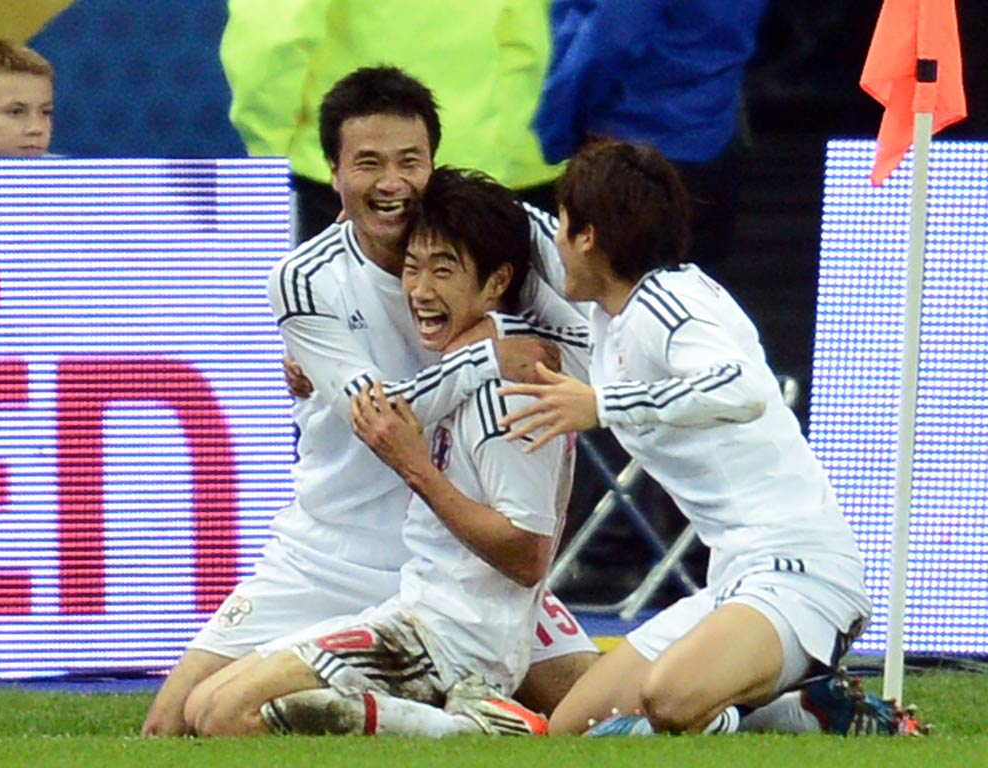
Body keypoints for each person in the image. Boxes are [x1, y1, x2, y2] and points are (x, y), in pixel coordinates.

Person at [141, 66, 598, 738]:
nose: (391, 184)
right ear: (333, 173)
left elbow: (589, 340)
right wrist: (489, 352)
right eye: (369, 164)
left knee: (610, 710)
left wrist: (532, 348)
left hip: (461, 561)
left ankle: (770, 710)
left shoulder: (506, 234)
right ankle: (458, 719)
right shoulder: (305, 279)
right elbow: (380, 420)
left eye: (410, 162)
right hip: (332, 552)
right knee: (172, 727)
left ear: (433, 163)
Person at [499, 139, 921, 737]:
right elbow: (519, 224)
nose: (558, 243)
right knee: (574, 728)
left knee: (668, 700)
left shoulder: (671, 303)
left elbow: (742, 387)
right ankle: (796, 707)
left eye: (567, 227)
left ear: (589, 237)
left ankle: (798, 708)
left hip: (800, 573)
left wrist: (603, 405)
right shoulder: (612, 311)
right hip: (731, 580)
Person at [219, 0, 562, 242]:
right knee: (475, 338)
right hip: (492, 171)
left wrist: (272, 145)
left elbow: (273, 33)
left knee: (343, 337)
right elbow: (528, 39)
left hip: (346, 171)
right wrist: (506, 145)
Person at [533, 0, 768, 275]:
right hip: (711, 144)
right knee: (689, 295)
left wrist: (557, 127)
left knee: (617, 293)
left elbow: (612, 40)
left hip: (631, 157)